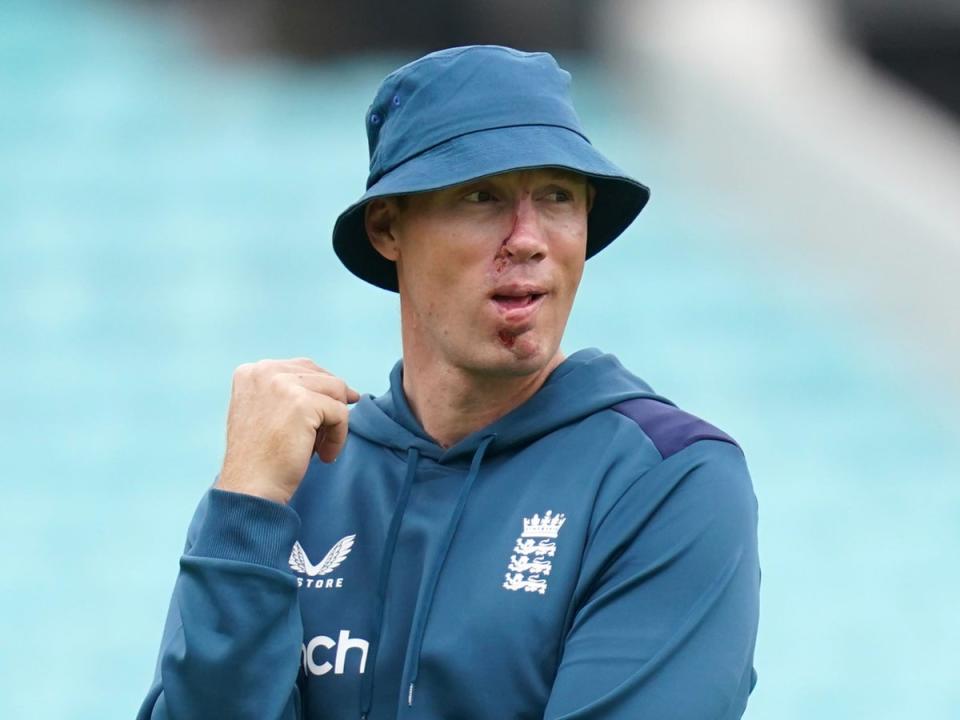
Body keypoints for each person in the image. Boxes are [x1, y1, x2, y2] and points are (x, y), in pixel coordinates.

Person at [138, 45, 760, 720]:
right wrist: (244, 513)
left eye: (556, 196)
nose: (528, 238)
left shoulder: (665, 478)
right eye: (480, 195)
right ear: (387, 228)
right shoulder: (285, 487)